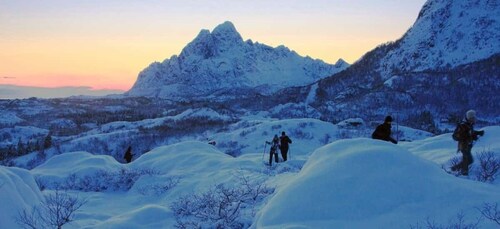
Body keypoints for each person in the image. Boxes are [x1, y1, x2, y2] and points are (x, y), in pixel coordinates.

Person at [451, 110, 485, 175]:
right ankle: (464, 174)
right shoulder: (462, 125)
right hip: (463, 146)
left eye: (474, 118)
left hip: (468, 146)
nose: (474, 119)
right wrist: (466, 137)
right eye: (472, 118)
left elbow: (470, 132)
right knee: (466, 160)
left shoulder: (469, 124)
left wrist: (478, 133)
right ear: (469, 118)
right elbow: (455, 136)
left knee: (469, 160)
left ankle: (454, 169)